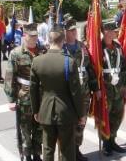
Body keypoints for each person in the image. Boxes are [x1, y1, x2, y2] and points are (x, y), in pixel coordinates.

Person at [30, 24, 84, 161]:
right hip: (65, 112)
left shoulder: (37, 61)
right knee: (67, 149)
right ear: (63, 40)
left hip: (45, 110)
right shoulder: (69, 62)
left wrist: (36, 110)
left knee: (47, 148)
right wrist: (81, 114)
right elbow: (76, 92)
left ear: (49, 40)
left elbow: (33, 90)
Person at [5, 23, 43, 161]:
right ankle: (27, 155)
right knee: (25, 130)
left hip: (41, 96)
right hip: (24, 96)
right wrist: (11, 99)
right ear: (24, 36)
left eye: (35, 36)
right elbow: (10, 77)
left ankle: (37, 154)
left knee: (39, 128)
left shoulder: (43, 51)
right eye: (31, 36)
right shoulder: (16, 53)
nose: (34, 38)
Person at [63, 16, 99, 161]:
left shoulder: (82, 47)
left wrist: (95, 88)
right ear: (64, 32)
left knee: (81, 123)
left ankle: (77, 150)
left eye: (74, 31)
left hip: (83, 92)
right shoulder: (60, 48)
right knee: (68, 125)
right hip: (67, 93)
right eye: (71, 31)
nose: (74, 33)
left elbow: (90, 68)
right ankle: (68, 153)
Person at [101, 21, 126, 156]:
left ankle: (112, 140)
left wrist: (124, 86)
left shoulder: (118, 47)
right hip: (106, 89)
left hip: (118, 88)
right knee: (105, 117)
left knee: (117, 116)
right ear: (106, 31)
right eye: (113, 30)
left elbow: (124, 68)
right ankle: (106, 144)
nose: (115, 33)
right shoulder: (98, 48)